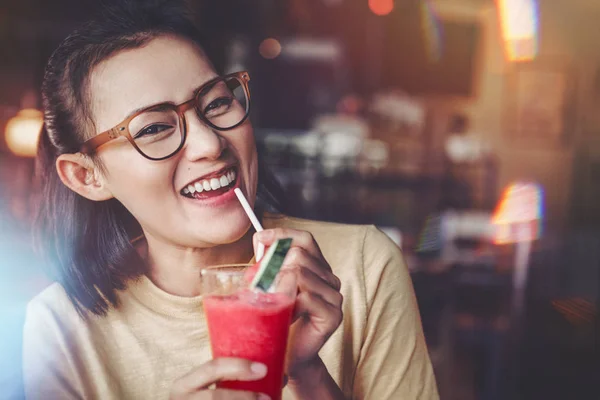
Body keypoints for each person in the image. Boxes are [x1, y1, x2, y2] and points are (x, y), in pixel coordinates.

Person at [23, 1, 438, 399]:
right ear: (86, 176)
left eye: (217, 102)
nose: (209, 142)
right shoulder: (64, 327)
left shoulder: (364, 266)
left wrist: (306, 375)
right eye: (152, 129)